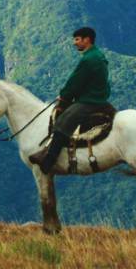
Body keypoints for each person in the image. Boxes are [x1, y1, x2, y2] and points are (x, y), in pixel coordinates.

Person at [29, 26, 111, 175]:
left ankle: (49, 161)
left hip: (89, 100)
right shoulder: (98, 55)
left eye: (77, 39)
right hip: (99, 97)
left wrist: (64, 96)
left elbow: (75, 82)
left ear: (87, 40)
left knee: (62, 122)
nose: (75, 43)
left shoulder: (88, 60)